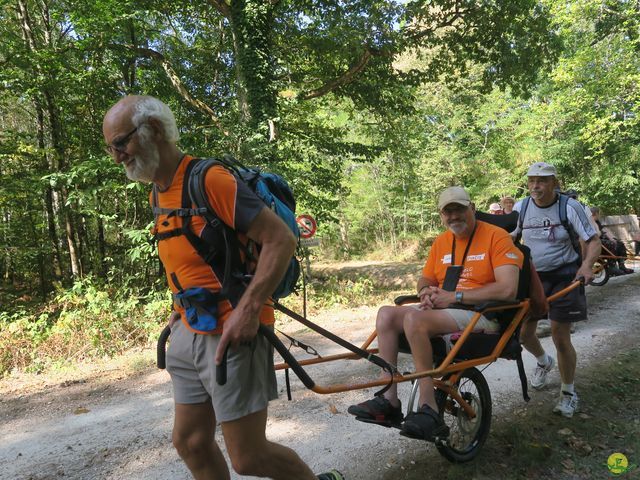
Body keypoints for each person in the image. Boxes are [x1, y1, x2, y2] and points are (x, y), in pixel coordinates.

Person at [103, 95, 343, 480]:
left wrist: (249, 311)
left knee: (248, 457)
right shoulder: (157, 192)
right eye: (111, 147)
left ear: (156, 130)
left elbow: (281, 239)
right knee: (191, 442)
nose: (117, 156)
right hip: (187, 328)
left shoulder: (208, 180)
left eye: (121, 143)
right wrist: (175, 314)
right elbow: (184, 258)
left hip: (232, 328)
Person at [348, 186, 523, 440]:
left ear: (472, 208)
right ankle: (389, 399)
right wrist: (426, 292)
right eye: (447, 211)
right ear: (441, 215)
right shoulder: (442, 242)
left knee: (413, 318)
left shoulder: (496, 237)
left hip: (483, 314)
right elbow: (425, 278)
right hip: (445, 310)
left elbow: (508, 289)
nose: (454, 216)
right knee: (386, 314)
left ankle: (428, 407)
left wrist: (454, 296)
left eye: (459, 209)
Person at [513, 162, 601, 418]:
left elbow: (593, 241)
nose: (535, 186)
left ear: (554, 183)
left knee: (560, 336)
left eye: (541, 181)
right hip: (533, 278)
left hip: (565, 276)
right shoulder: (522, 207)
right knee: (522, 335)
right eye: (531, 181)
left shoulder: (569, 206)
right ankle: (543, 361)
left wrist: (586, 266)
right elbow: (508, 240)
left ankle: (568, 393)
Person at [590, 206, 634, 275]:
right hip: (595, 243)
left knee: (619, 243)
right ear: (596, 213)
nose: (600, 215)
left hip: (601, 240)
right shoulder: (590, 221)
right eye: (599, 214)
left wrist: (613, 238)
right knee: (611, 244)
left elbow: (604, 230)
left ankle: (622, 265)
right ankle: (612, 267)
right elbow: (597, 234)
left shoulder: (597, 221)